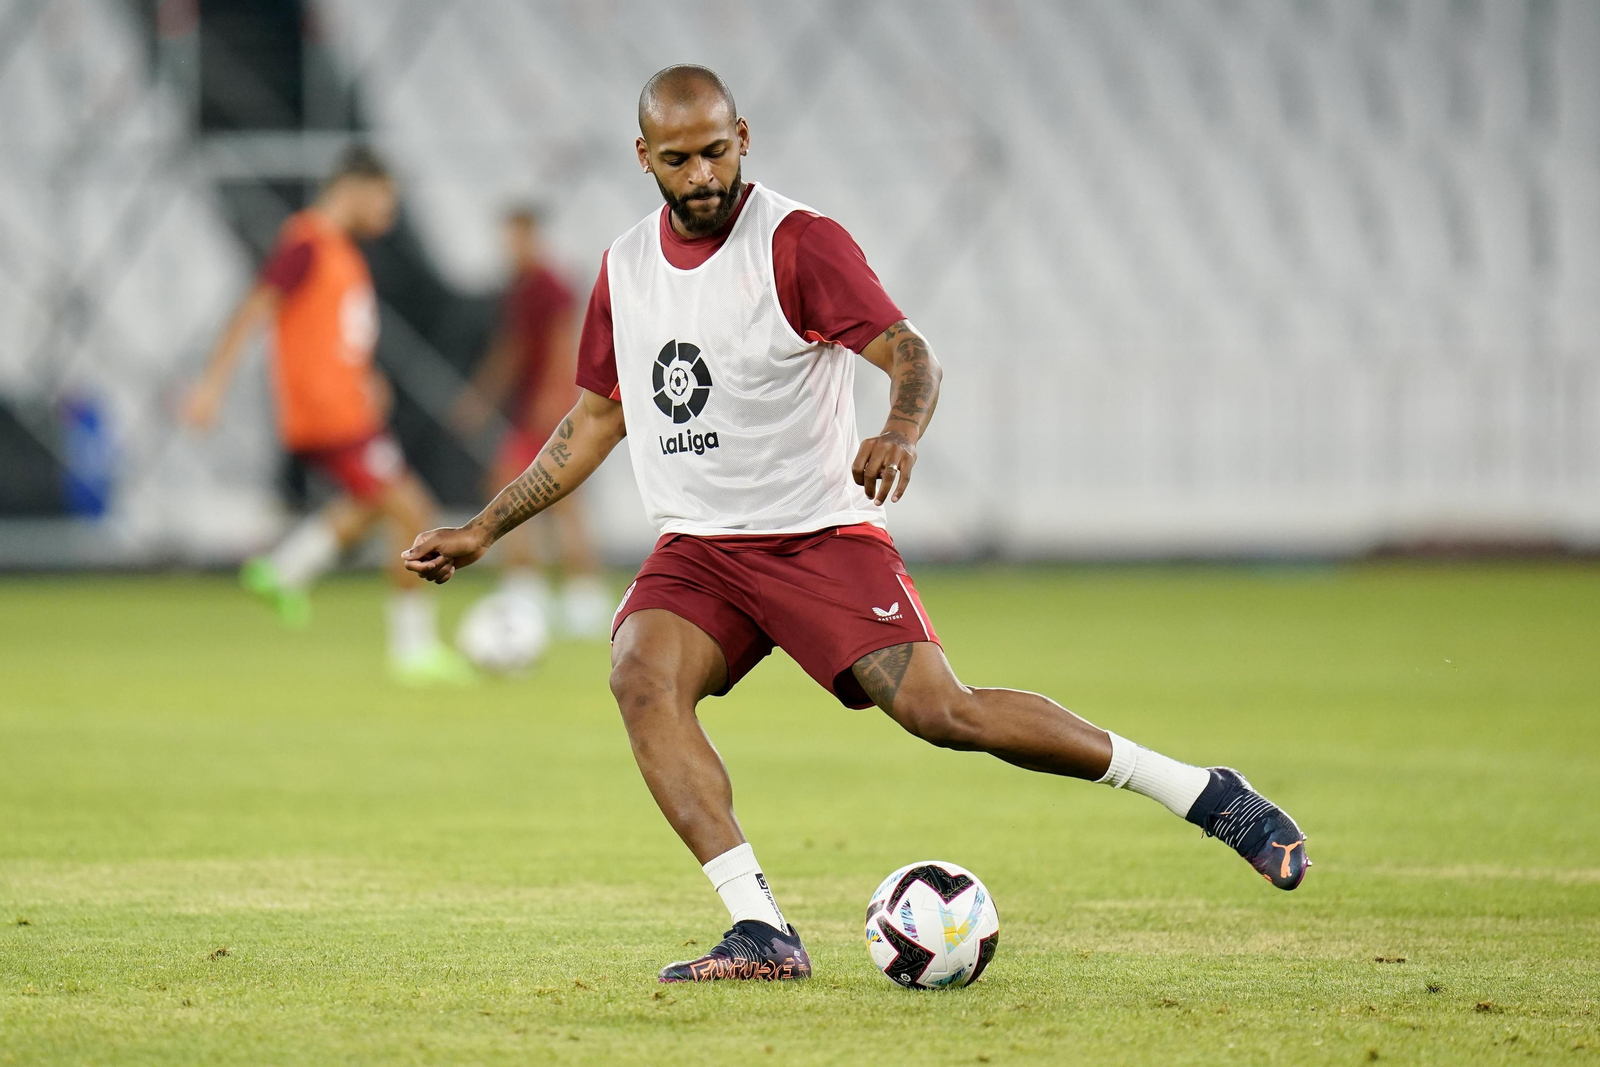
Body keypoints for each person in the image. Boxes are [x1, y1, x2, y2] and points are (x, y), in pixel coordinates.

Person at [403, 66, 1309, 982]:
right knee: (639, 677)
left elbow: (911, 352)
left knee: (942, 713)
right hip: (700, 551)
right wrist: (484, 528)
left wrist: (899, 431)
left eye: (716, 151)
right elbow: (596, 417)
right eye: (678, 159)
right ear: (645, 158)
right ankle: (760, 930)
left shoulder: (798, 244)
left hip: (818, 537)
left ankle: (1201, 791)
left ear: (743, 136)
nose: (703, 174)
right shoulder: (625, 268)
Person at [184, 145, 472, 686]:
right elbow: (254, 307)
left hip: (346, 403)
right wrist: (210, 386)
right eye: (386, 199)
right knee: (415, 513)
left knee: (373, 503)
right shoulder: (308, 241)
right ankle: (413, 652)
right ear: (357, 188)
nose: (390, 214)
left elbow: (328, 329)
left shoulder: (335, 248)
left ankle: (284, 569)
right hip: (330, 411)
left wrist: (366, 375)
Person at [451, 208, 611, 637]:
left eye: (516, 238)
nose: (509, 248)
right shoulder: (520, 291)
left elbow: (566, 342)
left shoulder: (550, 286)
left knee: (537, 494)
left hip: (549, 410)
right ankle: (565, 596)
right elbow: (513, 351)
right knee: (549, 498)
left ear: (533, 237)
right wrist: (482, 399)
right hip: (530, 410)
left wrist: (556, 396)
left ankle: (551, 592)